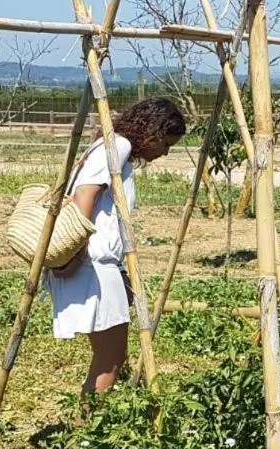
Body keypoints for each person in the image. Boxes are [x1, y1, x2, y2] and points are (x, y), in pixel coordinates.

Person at [46, 97, 187, 398]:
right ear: (152, 132)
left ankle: (88, 425)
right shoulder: (117, 146)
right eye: (165, 142)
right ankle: (89, 434)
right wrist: (73, 253)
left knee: (107, 358)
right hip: (91, 264)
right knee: (111, 361)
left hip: (98, 264)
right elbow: (85, 196)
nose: (164, 152)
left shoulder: (110, 146)